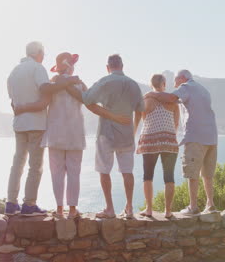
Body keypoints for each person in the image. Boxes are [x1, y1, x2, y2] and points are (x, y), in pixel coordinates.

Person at [13, 52, 130, 218]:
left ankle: (60, 209)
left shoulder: (52, 82)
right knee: (74, 172)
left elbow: (43, 103)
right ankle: (73, 209)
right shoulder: (78, 84)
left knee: (56, 173)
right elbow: (90, 99)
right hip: (75, 134)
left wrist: (21, 107)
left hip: (55, 134)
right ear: (70, 65)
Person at [64, 54, 145, 219]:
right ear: (122, 66)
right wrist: (134, 130)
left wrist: (65, 85)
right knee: (127, 172)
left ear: (108, 67)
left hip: (106, 133)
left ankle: (109, 209)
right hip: (127, 134)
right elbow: (139, 111)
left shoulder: (104, 82)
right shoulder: (133, 85)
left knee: (104, 171)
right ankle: (129, 208)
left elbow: (87, 100)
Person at [5, 41, 81, 216]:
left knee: (18, 163)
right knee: (35, 165)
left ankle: (10, 203)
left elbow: (13, 101)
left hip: (19, 124)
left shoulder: (14, 72)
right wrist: (68, 82)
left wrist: (21, 109)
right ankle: (29, 205)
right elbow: (45, 88)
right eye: (43, 53)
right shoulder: (37, 68)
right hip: (36, 124)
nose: (44, 56)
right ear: (38, 53)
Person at [145, 70, 218, 215]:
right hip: (212, 137)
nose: (174, 84)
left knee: (192, 173)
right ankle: (210, 203)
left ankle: (193, 206)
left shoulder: (186, 87)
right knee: (207, 174)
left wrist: (151, 94)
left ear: (183, 78)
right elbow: (175, 101)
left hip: (195, 137)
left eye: (176, 80)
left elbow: (171, 98)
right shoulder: (203, 89)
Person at [134, 74, 180, 219]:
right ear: (164, 83)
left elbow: (143, 118)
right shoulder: (172, 99)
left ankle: (148, 209)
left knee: (147, 176)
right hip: (168, 140)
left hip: (149, 140)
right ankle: (167, 211)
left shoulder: (146, 99)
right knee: (169, 176)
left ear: (151, 84)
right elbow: (176, 123)